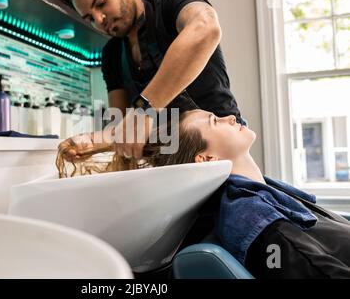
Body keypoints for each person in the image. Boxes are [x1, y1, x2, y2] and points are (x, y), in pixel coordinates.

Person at [57, 109, 350, 278]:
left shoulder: (265, 196)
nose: (230, 116)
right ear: (206, 158)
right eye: (214, 121)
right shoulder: (251, 216)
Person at [63, 0, 244, 160]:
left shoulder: (172, 4)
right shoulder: (112, 54)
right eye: (90, 18)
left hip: (223, 153)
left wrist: (145, 108)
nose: (99, 19)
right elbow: (121, 127)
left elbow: (207, 28)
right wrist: (89, 142)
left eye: (101, 3)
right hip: (171, 164)